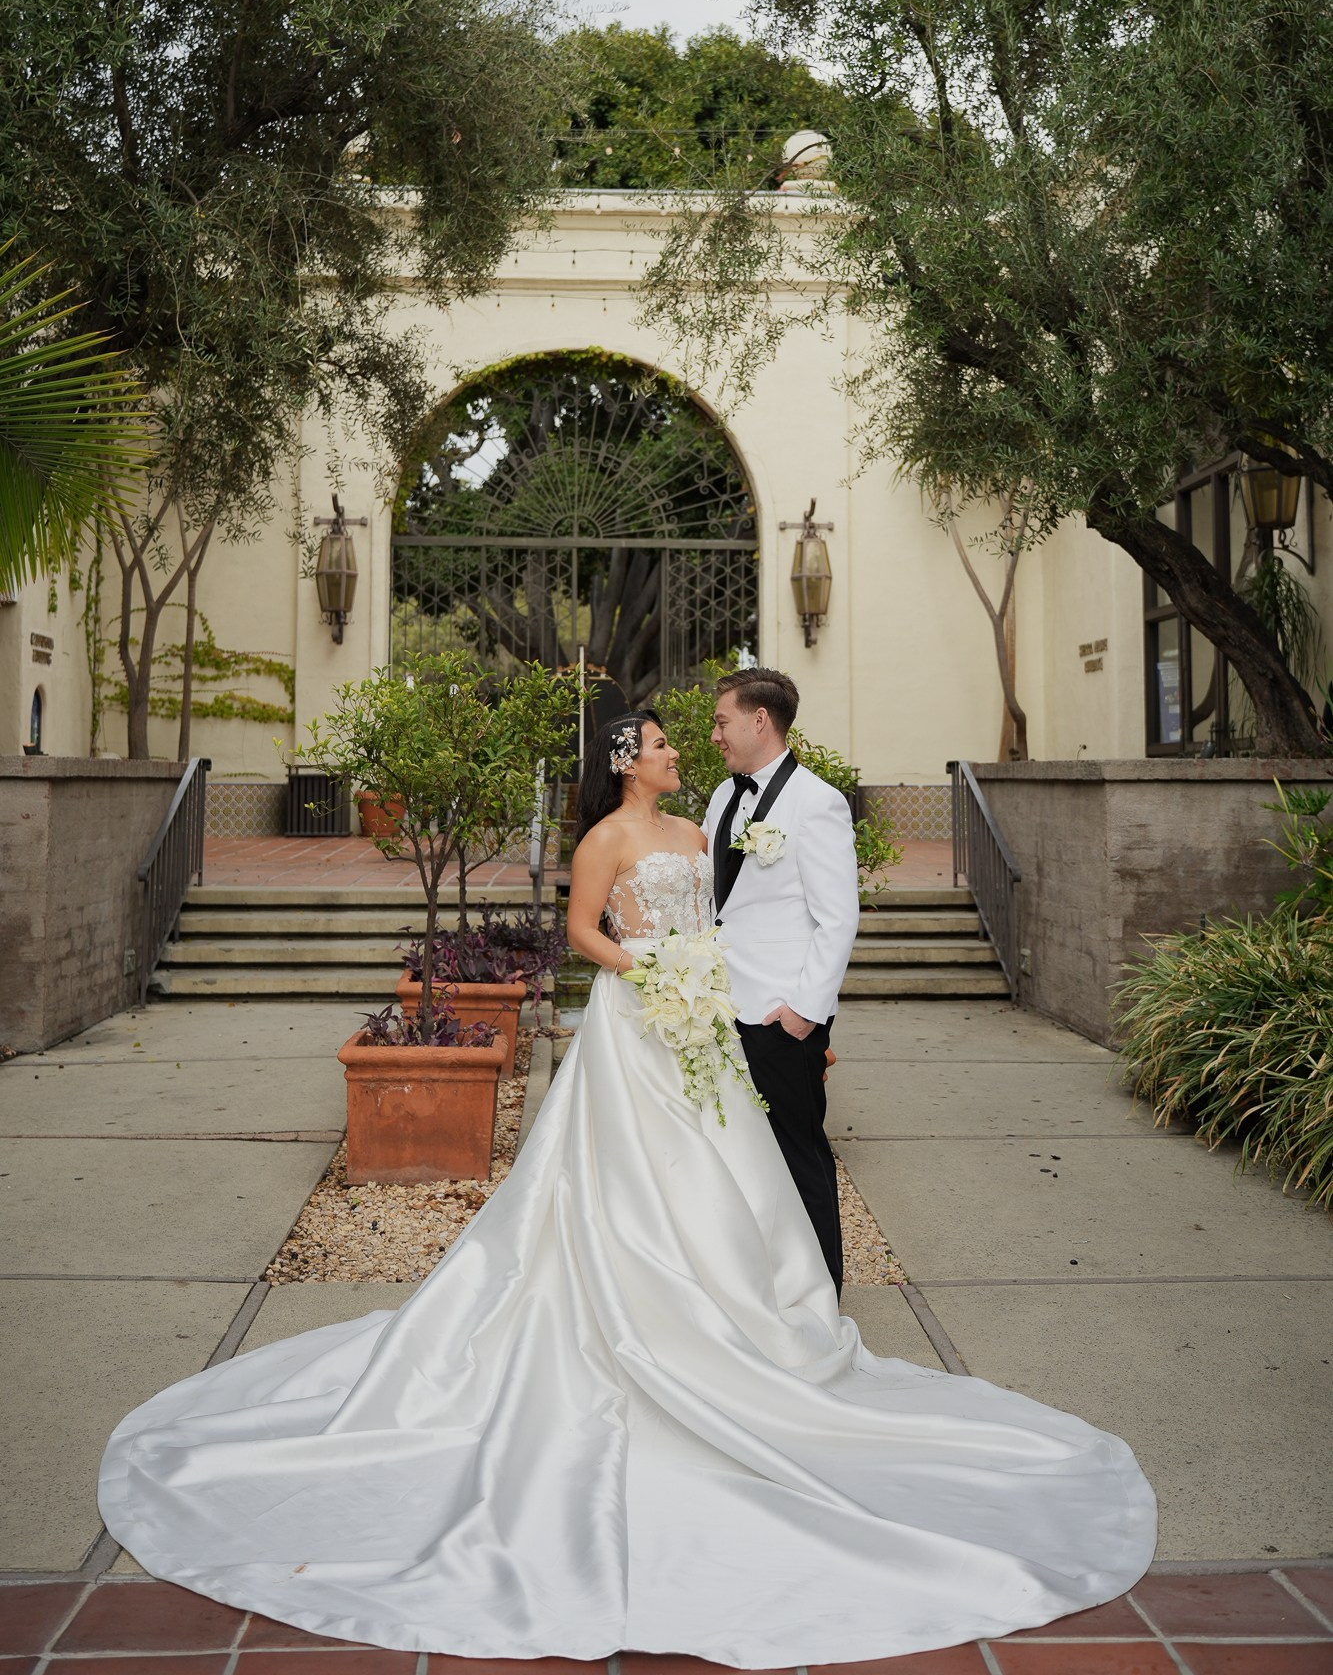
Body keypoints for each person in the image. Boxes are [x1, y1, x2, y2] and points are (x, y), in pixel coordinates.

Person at [99, 698, 1156, 1667]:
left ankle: (740, 1318)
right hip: (635, 1023)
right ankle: (630, 1314)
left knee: (727, 1167)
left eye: (680, 737)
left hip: (703, 1023)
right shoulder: (605, 838)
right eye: (657, 742)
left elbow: (731, 918)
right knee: (620, 1175)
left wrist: (722, 977)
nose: (675, 749)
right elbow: (580, 932)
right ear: (622, 763)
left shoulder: (701, 830)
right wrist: (649, 969)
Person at [703, 667, 857, 1293]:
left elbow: (837, 919)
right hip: (722, 1008)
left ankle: (823, 1292)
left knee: (800, 1155)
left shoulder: (817, 801)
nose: (714, 734)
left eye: (721, 721)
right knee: (741, 1160)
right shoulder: (722, 796)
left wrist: (803, 1012)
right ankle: (761, 1286)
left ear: (758, 721)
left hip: (780, 1017)